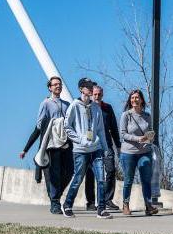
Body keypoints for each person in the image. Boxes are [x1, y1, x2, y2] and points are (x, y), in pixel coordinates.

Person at [20, 76, 73, 214]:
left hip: (65, 143)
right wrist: (54, 123)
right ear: (50, 87)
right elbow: (39, 125)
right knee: (54, 173)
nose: (58, 86)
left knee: (70, 171)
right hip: (52, 143)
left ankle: (55, 195)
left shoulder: (67, 104)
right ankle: (54, 203)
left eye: (59, 84)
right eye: (55, 84)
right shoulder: (45, 103)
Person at [62, 78, 112, 219]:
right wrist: (80, 139)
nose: (91, 89)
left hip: (96, 149)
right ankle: (67, 205)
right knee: (78, 178)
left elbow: (101, 129)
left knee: (101, 179)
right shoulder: (74, 105)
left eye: (92, 86)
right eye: (88, 86)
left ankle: (101, 209)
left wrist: (106, 147)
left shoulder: (96, 108)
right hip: (80, 150)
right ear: (81, 89)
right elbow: (67, 126)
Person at [119, 89, 158, 216]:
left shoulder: (147, 116)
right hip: (128, 153)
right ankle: (125, 204)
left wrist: (149, 137)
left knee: (146, 179)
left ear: (141, 100)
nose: (134, 100)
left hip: (145, 152)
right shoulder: (126, 115)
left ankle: (148, 205)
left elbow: (150, 131)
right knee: (128, 180)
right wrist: (137, 139)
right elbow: (123, 134)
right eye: (132, 98)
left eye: (137, 97)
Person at [84, 85, 122, 211]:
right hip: (91, 145)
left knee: (111, 170)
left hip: (106, 145)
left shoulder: (107, 108)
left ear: (102, 94)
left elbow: (114, 128)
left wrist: (118, 146)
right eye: (95, 94)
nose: (97, 96)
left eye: (99, 94)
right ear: (91, 94)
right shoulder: (87, 107)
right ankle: (90, 202)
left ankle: (107, 199)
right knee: (90, 173)